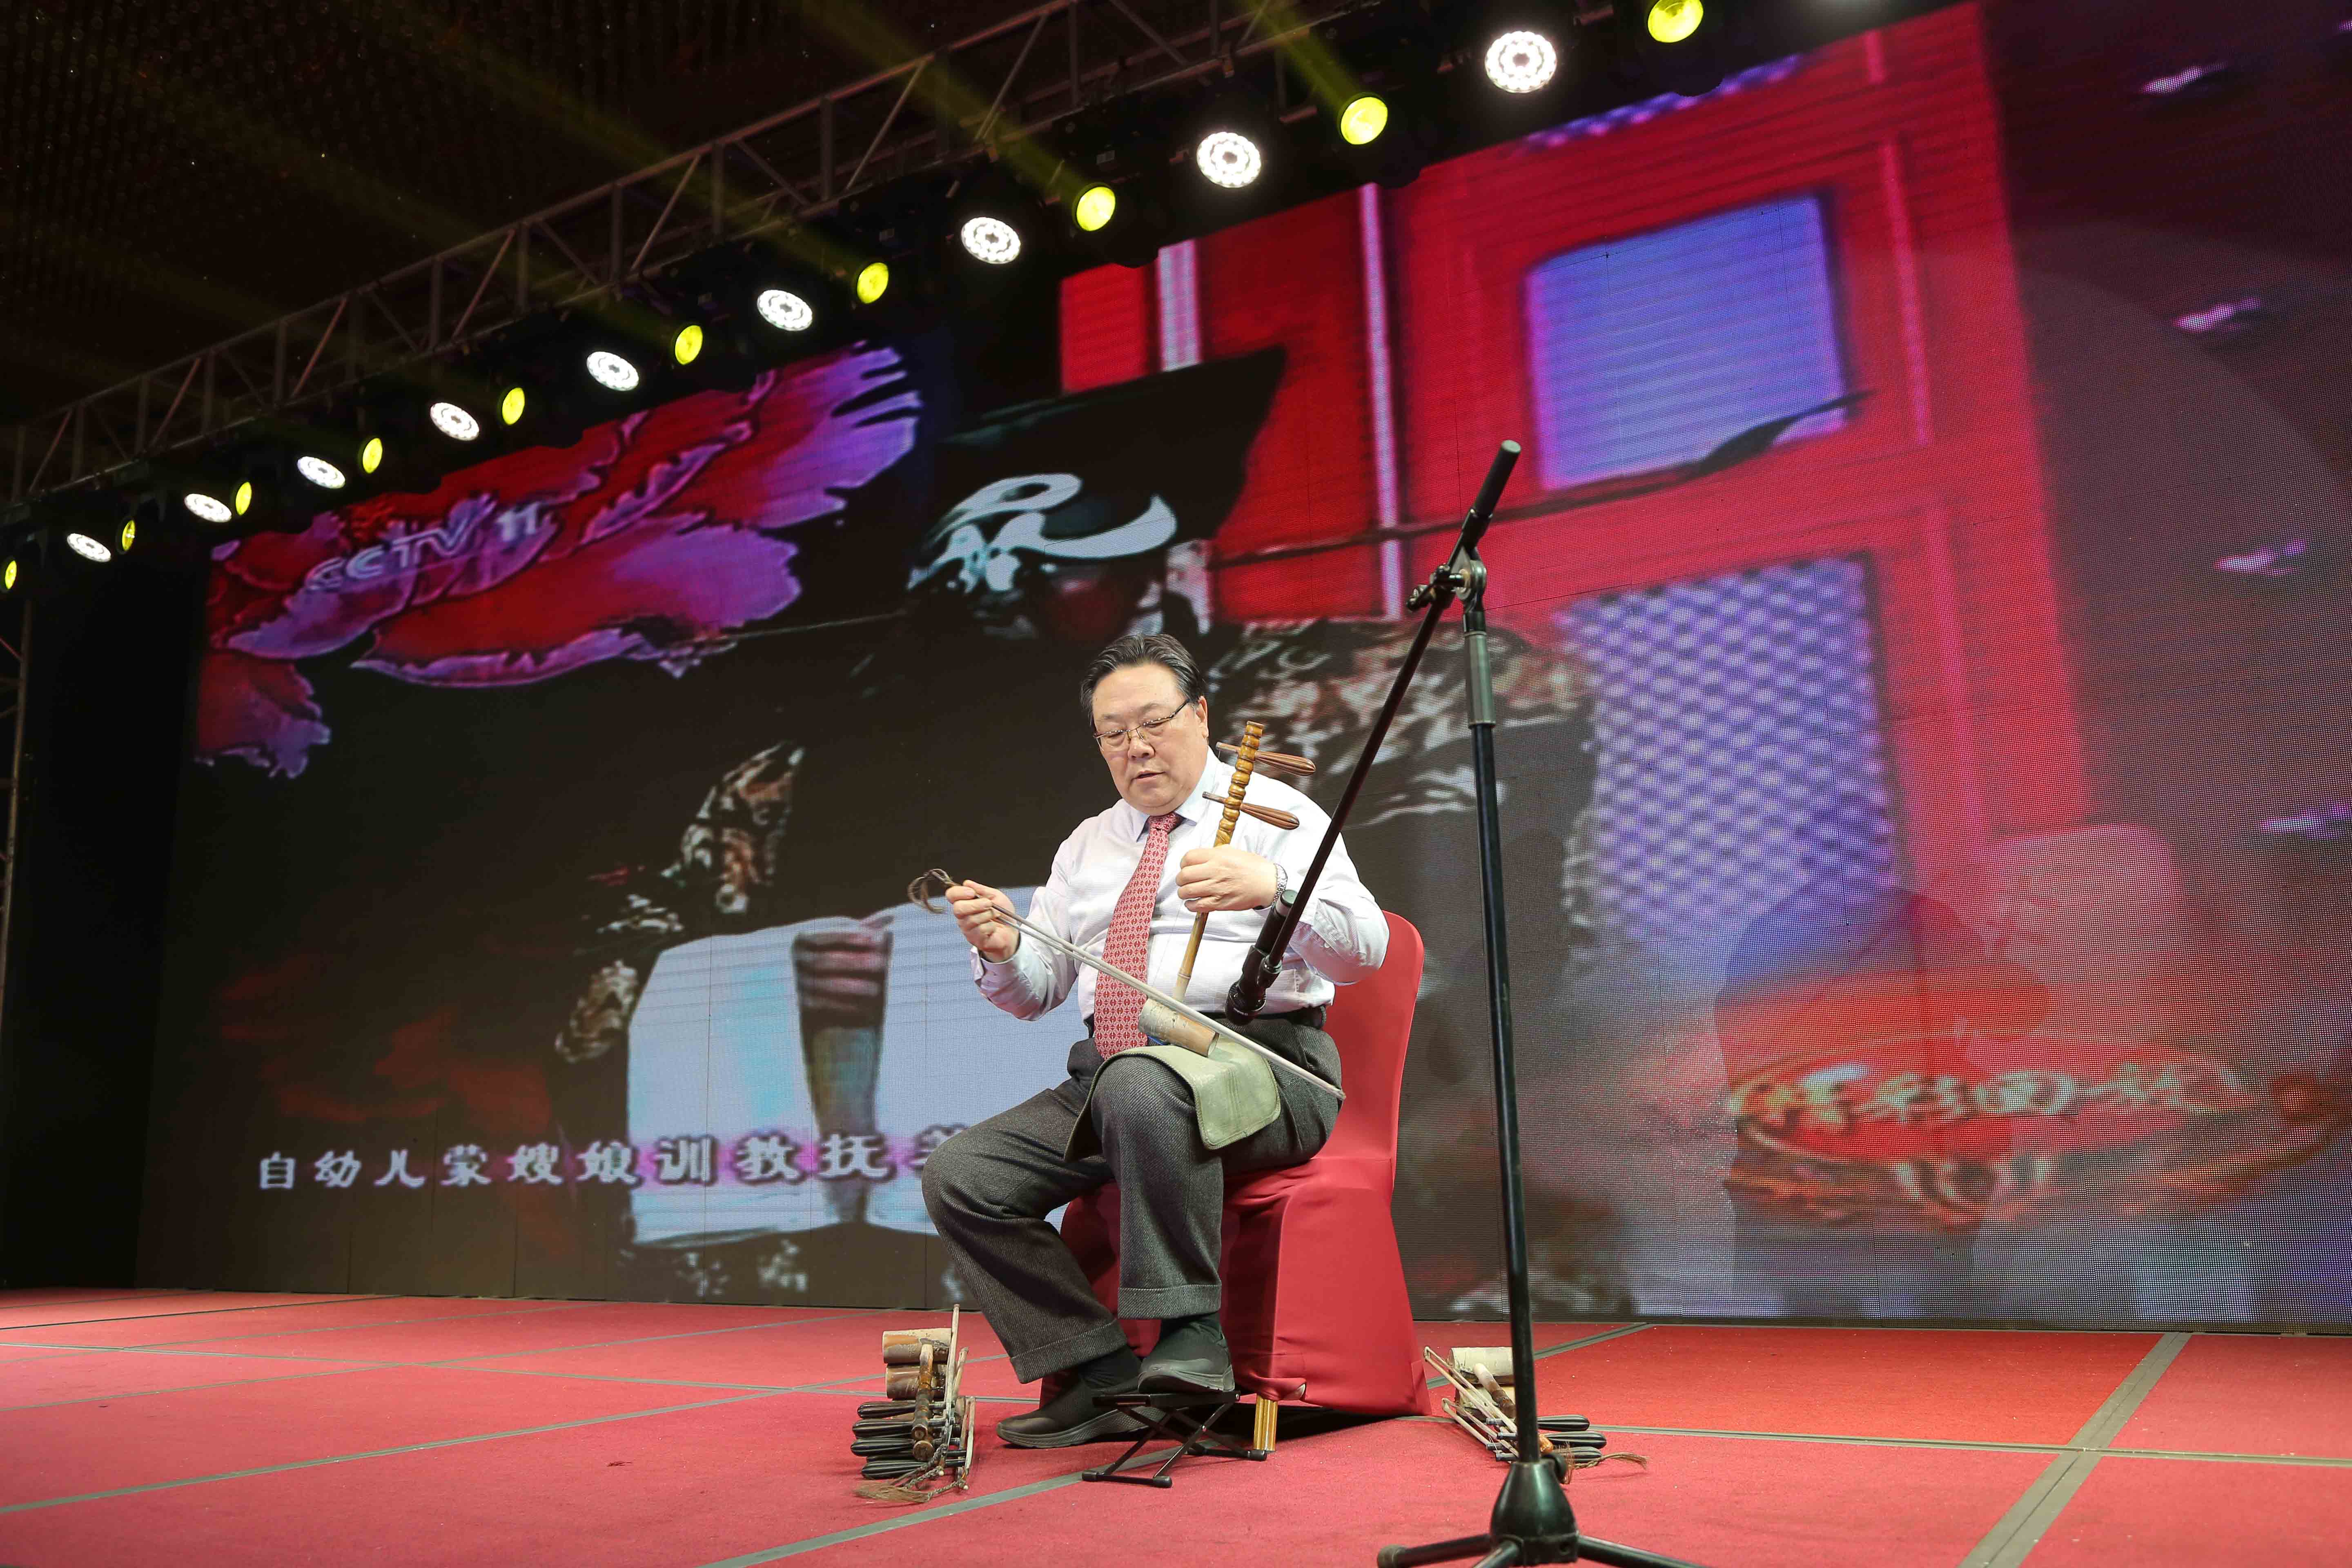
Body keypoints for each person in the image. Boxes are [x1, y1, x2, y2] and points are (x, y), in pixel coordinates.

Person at [923, 631, 1387, 1447]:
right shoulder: (1088, 845)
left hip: (1266, 1068)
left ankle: (1191, 1336)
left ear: (1201, 715)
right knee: (965, 1177)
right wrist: (1000, 947)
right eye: (1112, 733)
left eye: (1152, 723)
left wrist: (1275, 888)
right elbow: (1035, 994)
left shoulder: (1277, 816)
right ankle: (1099, 1371)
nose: (1134, 747)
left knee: (1143, 1085)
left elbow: (1364, 951)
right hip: (1112, 1079)